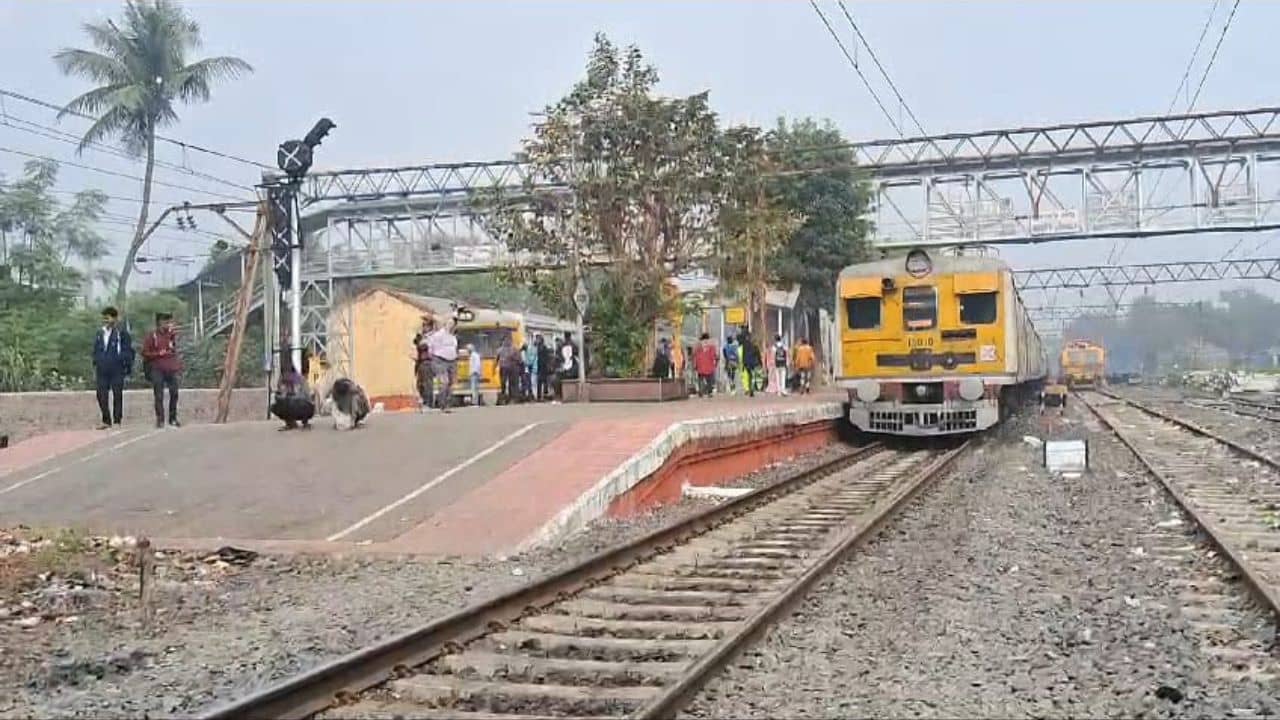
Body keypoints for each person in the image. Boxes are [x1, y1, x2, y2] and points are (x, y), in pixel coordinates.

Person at [91, 306, 134, 429]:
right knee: (101, 394)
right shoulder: (100, 333)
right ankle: (106, 420)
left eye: (108, 318)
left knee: (117, 394)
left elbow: (128, 350)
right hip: (102, 368)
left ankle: (117, 420)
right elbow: (96, 349)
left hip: (117, 368)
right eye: (104, 318)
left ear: (115, 319)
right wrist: (96, 361)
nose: (105, 320)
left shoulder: (121, 333)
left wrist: (125, 364)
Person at [141, 312, 182, 428]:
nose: (168, 324)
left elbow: (173, 349)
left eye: (169, 322)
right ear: (159, 322)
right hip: (157, 368)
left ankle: (173, 418)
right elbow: (144, 353)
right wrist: (158, 354)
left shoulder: (171, 335)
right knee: (159, 394)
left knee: (174, 392)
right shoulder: (152, 336)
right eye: (166, 322)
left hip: (170, 368)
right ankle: (160, 419)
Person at [272, 362, 315, 431]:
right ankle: (290, 423)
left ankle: (305, 423)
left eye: (287, 373)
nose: (285, 375)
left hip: (303, 404)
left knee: (299, 403)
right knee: (276, 406)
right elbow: (279, 394)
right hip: (291, 404)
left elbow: (305, 396)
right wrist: (281, 394)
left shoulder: (299, 379)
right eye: (284, 373)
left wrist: (289, 394)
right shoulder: (282, 380)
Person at [428, 318, 459, 413]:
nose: (451, 326)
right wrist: (433, 359)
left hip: (452, 361)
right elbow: (430, 347)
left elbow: (454, 348)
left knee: (451, 384)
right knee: (444, 382)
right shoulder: (438, 335)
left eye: (453, 324)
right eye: (450, 323)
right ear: (445, 324)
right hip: (440, 360)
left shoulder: (453, 337)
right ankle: (442, 404)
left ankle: (448, 404)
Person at [412, 316, 435, 411]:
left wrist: (421, 343)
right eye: (423, 325)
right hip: (420, 362)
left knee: (427, 383)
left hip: (428, 361)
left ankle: (428, 402)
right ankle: (424, 400)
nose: (424, 327)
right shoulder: (422, 336)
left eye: (425, 325)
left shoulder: (432, 336)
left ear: (430, 326)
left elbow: (425, 346)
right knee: (419, 383)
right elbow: (415, 342)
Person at [693, 333, 719, 398]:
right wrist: (695, 365)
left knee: (708, 381)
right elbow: (696, 357)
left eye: (706, 341)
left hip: (708, 367)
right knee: (702, 380)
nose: (705, 342)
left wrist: (715, 363)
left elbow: (715, 357)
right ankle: (702, 392)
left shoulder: (711, 348)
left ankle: (708, 392)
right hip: (702, 367)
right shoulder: (699, 349)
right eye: (703, 341)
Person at [496, 336, 521, 405]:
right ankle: (503, 398)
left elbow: (519, 359)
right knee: (503, 383)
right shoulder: (499, 350)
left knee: (512, 384)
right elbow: (496, 359)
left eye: (508, 340)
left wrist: (514, 359)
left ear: (510, 341)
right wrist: (496, 366)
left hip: (512, 368)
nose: (506, 342)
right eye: (505, 340)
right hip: (503, 368)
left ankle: (513, 398)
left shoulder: (514, 349)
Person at [740, 330, 762, 398]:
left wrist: (743, 364)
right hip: (753, 363)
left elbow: (743, 355)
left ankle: (750, 389)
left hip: (747, 363)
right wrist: (760, 362)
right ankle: (752, 389)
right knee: (752, 376)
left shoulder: (744, 345)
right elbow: (758, 354)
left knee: (750, 376)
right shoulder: (754, 345)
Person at [535, 335, 553, 401]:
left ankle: (544, 395)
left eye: (538, 339)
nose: (537, 340)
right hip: (539, 367)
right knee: (539, 382)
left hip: (543, 367)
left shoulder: (544, 348)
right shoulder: (537, 347)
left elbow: (546, 358)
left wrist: (548, 365)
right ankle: (539, 396)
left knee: (544, 382)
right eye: (537, 339)